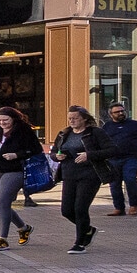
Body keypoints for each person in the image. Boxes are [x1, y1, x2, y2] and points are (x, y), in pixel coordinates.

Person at [0, 106, 42, 250]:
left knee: (3, 201)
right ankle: (24, 228)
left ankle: (2, 238)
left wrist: (16, 155)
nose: (2, 123)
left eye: (5, 120)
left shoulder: (23, 131)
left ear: (13, 119)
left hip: (14, 170)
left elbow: (35, 149)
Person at [50, 105, 112, 253]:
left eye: (75, 118)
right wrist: (57, 156)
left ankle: (79, 243)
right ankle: (88, 230)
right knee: (66, 210)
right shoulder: (64, 133)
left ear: (84, 118)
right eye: (70, 118)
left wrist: (88, 155)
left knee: (80, 208)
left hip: (90, 175)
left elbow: (112, 150)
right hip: (69, 174)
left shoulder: (95, 133)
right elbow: (53, 152)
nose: (72, 121)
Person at [100, 101, 137, 217]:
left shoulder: (135, 124)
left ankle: (134, 205)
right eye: (117, 112)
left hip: (131, 158)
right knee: (114, 184)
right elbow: (101, 142)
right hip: (112, 159)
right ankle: (119, 208)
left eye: (122, 111)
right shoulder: (107, 127)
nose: (120, 113)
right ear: (111, 114)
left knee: (130, 179)